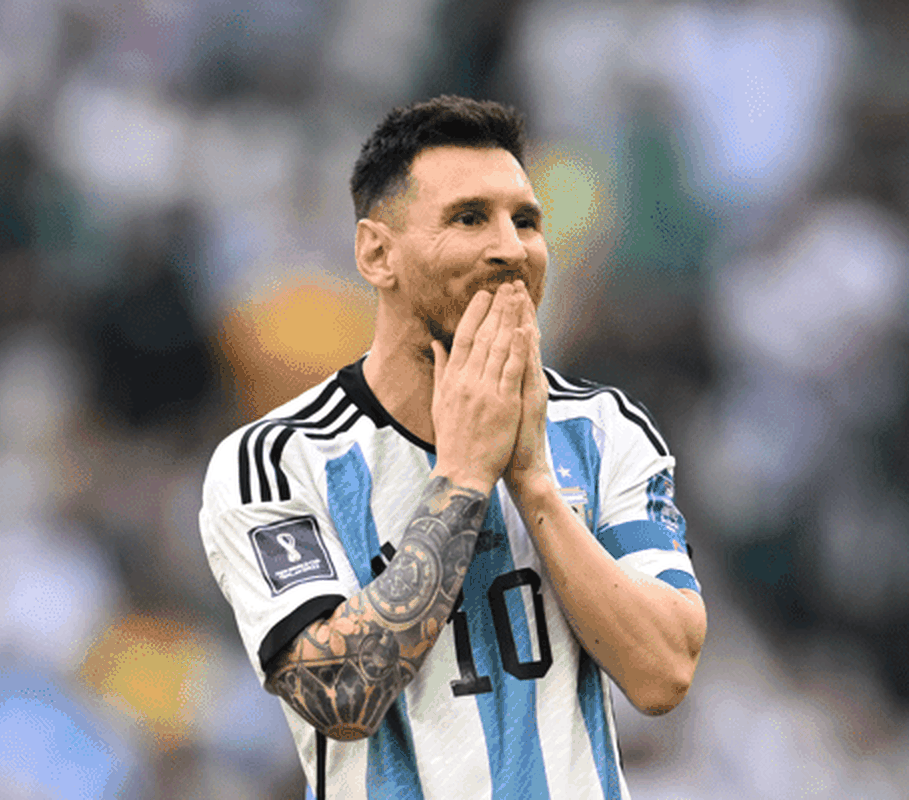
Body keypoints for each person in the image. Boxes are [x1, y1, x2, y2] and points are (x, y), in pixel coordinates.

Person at [199, 95, 707, 800]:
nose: (511, 248)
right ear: (377, 253)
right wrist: (464, 478)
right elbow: (338, 695)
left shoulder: (604, 427)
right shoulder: (277, 461)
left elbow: (663, 675)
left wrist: (532, 482)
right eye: (469, 218)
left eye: (525, 220)